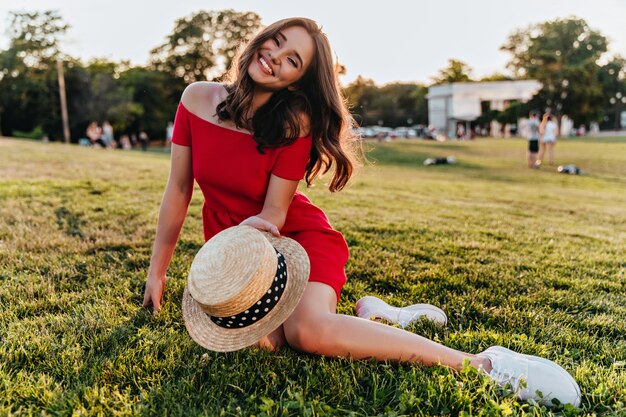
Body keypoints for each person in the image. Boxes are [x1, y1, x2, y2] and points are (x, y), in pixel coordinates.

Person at [142, 17, 580, 407]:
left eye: (292, 60)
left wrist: (260, 248)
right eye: (275, 42)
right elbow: (179, 189)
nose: (274, 56)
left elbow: (275, 213)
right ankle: (376, 315)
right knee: (271, 344)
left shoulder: (294, 121)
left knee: (307, 333)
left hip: (291, 239)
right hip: (237, 251)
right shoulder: (196, 98)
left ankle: (481, 364)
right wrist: (157, 272)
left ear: (297, 81)